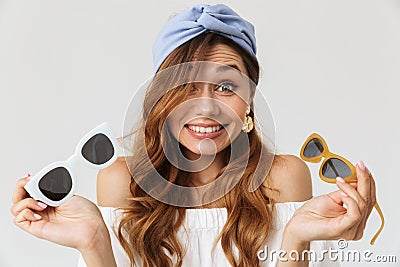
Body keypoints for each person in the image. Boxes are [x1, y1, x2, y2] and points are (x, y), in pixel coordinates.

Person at [11, 4, 377, 267]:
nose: (205, 108)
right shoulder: (121, 182)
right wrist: (94, 245)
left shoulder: (283, 177)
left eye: (225, 86)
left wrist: (296, 239)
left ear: (250, 97)